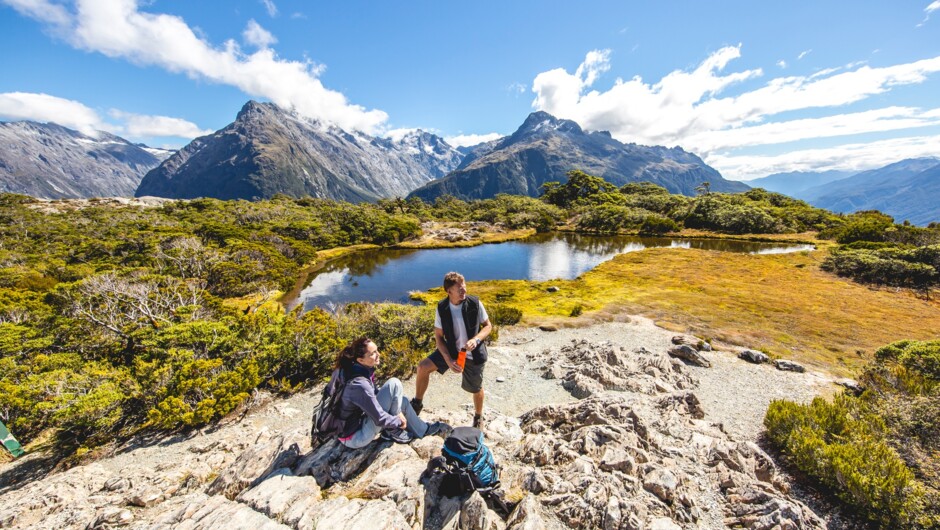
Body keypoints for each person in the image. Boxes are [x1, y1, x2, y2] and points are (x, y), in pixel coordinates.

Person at [330, 337, 450, 448]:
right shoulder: (359, 384)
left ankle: (422, 430)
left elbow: (373, 400)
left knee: (401, 400)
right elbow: (379, 418)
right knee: (394, 383)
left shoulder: (353, 369)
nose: (378, 354)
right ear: (360, 359)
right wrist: (398, 421)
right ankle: (393, 431)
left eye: (377, 350)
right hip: (356, 437)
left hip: (357, 423)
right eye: (373, 354)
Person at [411, 272, 493, 429]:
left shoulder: (475, 303)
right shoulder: (442, 307)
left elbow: (488, 326)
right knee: (423, 367)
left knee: (476, 388)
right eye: (459, 288)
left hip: (473, 354)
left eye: (464, 286)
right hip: (452, 350)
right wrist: (448, 360)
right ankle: (417, 403)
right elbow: (439, 337)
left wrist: (476, 339)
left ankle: (478, 416)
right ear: (449, 291)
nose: (464, 290)